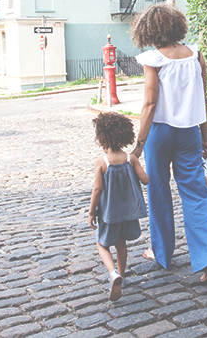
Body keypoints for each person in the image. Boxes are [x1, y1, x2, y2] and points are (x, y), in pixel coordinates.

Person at [130, 3, 207, 283]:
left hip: (160, 133)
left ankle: (162, 253)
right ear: (176, 26)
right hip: (189, 133)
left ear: (148, 30)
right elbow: (202, 99)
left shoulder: (153, 59)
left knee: (158, 191)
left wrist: (138, 144)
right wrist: (205, 136)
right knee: (197, 193)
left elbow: (150, 103)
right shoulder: (195, 55)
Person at [88, 112, 149, 301]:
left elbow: (97, 189)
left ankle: (113, 273)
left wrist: (91, 212)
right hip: (128, 213)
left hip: (109, 214)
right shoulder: (131, 159)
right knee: (121, 243)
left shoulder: (102, 162)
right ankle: (122, 274)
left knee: (102, 243)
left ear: (101, 138)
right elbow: (146, 180)